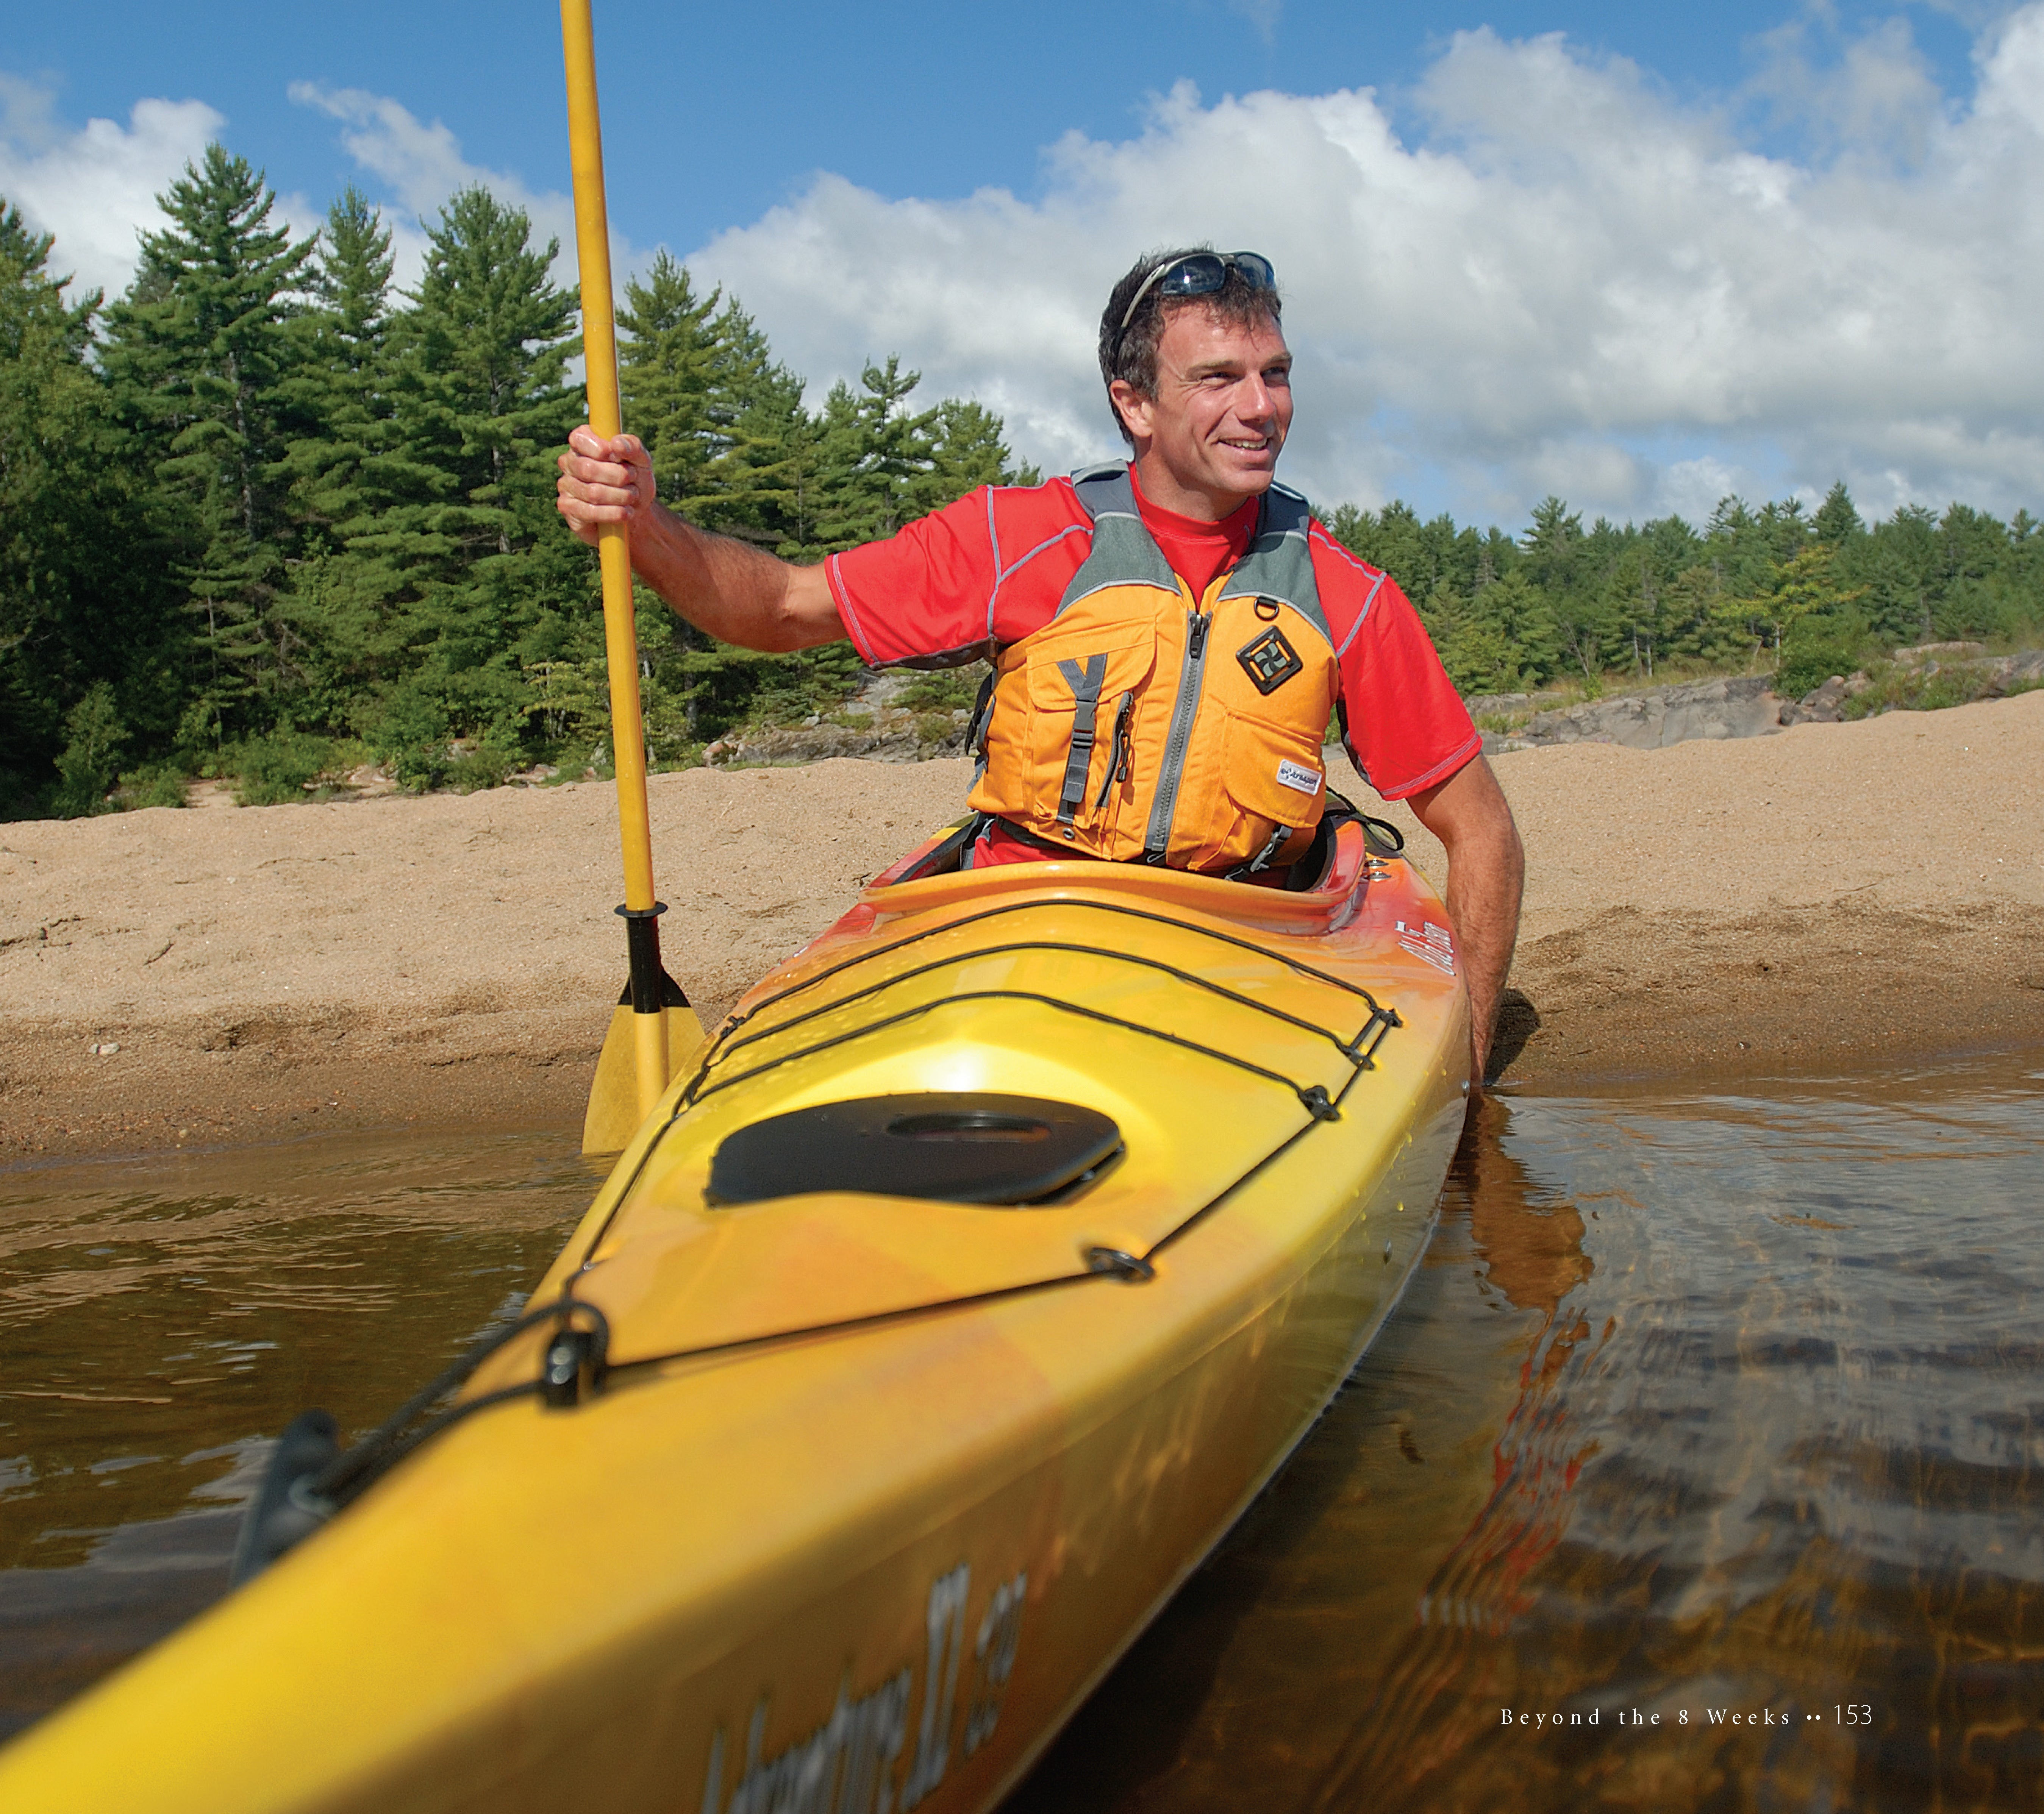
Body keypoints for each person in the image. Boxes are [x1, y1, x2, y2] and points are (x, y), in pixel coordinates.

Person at [556, 247, 1525, 1091]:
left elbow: (1480, 830)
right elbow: (778, 606)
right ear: (1134, 403)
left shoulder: (1342, 591)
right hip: (1023, 932)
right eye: (1219, 378)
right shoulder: (1019, 539)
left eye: (1275, 375)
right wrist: (643, 526)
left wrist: (1467, 1088)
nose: (1260, 407)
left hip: (1242, 948)